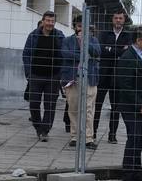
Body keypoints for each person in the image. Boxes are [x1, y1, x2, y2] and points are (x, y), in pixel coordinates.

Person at [116, 26, 142, 181]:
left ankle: (136, 172)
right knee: (134, 138)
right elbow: (125, 85)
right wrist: (140, 106)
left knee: (141, 138)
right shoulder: (128, 57)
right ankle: (127, 174)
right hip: (131, 106)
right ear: (138, 40)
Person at [21, 11, 65, 142]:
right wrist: (29, 73)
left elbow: (64, 54)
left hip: (53, 77)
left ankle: (45, 130)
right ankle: (37, 126)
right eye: (48, 20)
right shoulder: (33, 35)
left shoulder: (59, 36)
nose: (50, 23)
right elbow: (26, 54)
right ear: (43, 21)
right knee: (34, 104)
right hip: (36, 75)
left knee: (50, 105)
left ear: (54, 22)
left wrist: (61, 73)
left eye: (52, 21)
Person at [60, 16, 101, 149]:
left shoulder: (93, 40)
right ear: (75, 27)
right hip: (72, 79)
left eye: (84, 27)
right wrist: (83, 57)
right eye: (79, 26)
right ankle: (74, 136)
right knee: (73, 108)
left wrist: (85, 42)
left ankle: (88, 138)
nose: (81, 29)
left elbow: (97, 53)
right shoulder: (67, 40)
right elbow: (65, 54)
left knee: (88, 109)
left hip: (90, 79)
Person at [95, 10, 134, 144]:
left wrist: (110, 49)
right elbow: (101, 49)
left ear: (124, 20)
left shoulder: (128, 35)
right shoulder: (104, 33)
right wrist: (117, 51)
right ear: (112, 19)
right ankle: (93, 133)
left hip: (118, 77)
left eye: (120, 18)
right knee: (97, 105)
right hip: (103, 75)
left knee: (115, 108)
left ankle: (112, 135)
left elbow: (127, 52)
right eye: (116, 18)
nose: (118, 20)